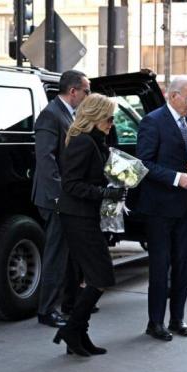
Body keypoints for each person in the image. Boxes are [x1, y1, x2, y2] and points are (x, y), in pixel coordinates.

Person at [135, 78, 187, 342]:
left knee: (182, 265)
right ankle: (155, 322)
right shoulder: (153, 121)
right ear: (172, 96)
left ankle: (177, 318)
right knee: (160, 266)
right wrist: (177, 178)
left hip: (185, 205)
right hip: (159, 207)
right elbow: (143, 162)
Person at [52, 94, 124, 357]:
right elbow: (70, 184)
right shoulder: (82, 142)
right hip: (78, 218)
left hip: (86, 217)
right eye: (109, 117)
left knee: (88, 278)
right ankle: (72, 329)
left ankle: (78, 333)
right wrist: (105, 193)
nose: (112, 122)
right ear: (95, 116)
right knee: (101, 276)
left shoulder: (93, 141)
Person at [32, 70, 91, 328]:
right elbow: (46, 159)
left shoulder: (70, 114)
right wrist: (58, 197)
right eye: (87, 91)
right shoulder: (50, 114)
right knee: (55, 255)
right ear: (74, 91)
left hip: (68, 196)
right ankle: (47, 310)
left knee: (67, 254)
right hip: (55, 198)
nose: (88, 96)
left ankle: (68, 302)